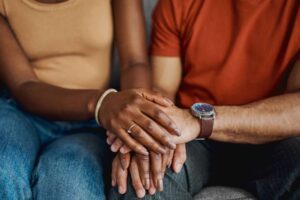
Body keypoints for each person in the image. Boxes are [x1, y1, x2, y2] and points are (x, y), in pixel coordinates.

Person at [108, 0, 300, 199]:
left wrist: (198, 121)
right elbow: (163, 89)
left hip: (275, 139)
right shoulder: (178, 3)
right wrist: (153, 132)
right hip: (193, 141)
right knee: (141, 182)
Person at [0, 0, 180, 199]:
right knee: (4, 165)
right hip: (20, 112)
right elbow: (23, 85)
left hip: (91, 123)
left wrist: (135, 129)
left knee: (69, 181)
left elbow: (134, 62)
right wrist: (101, 103)